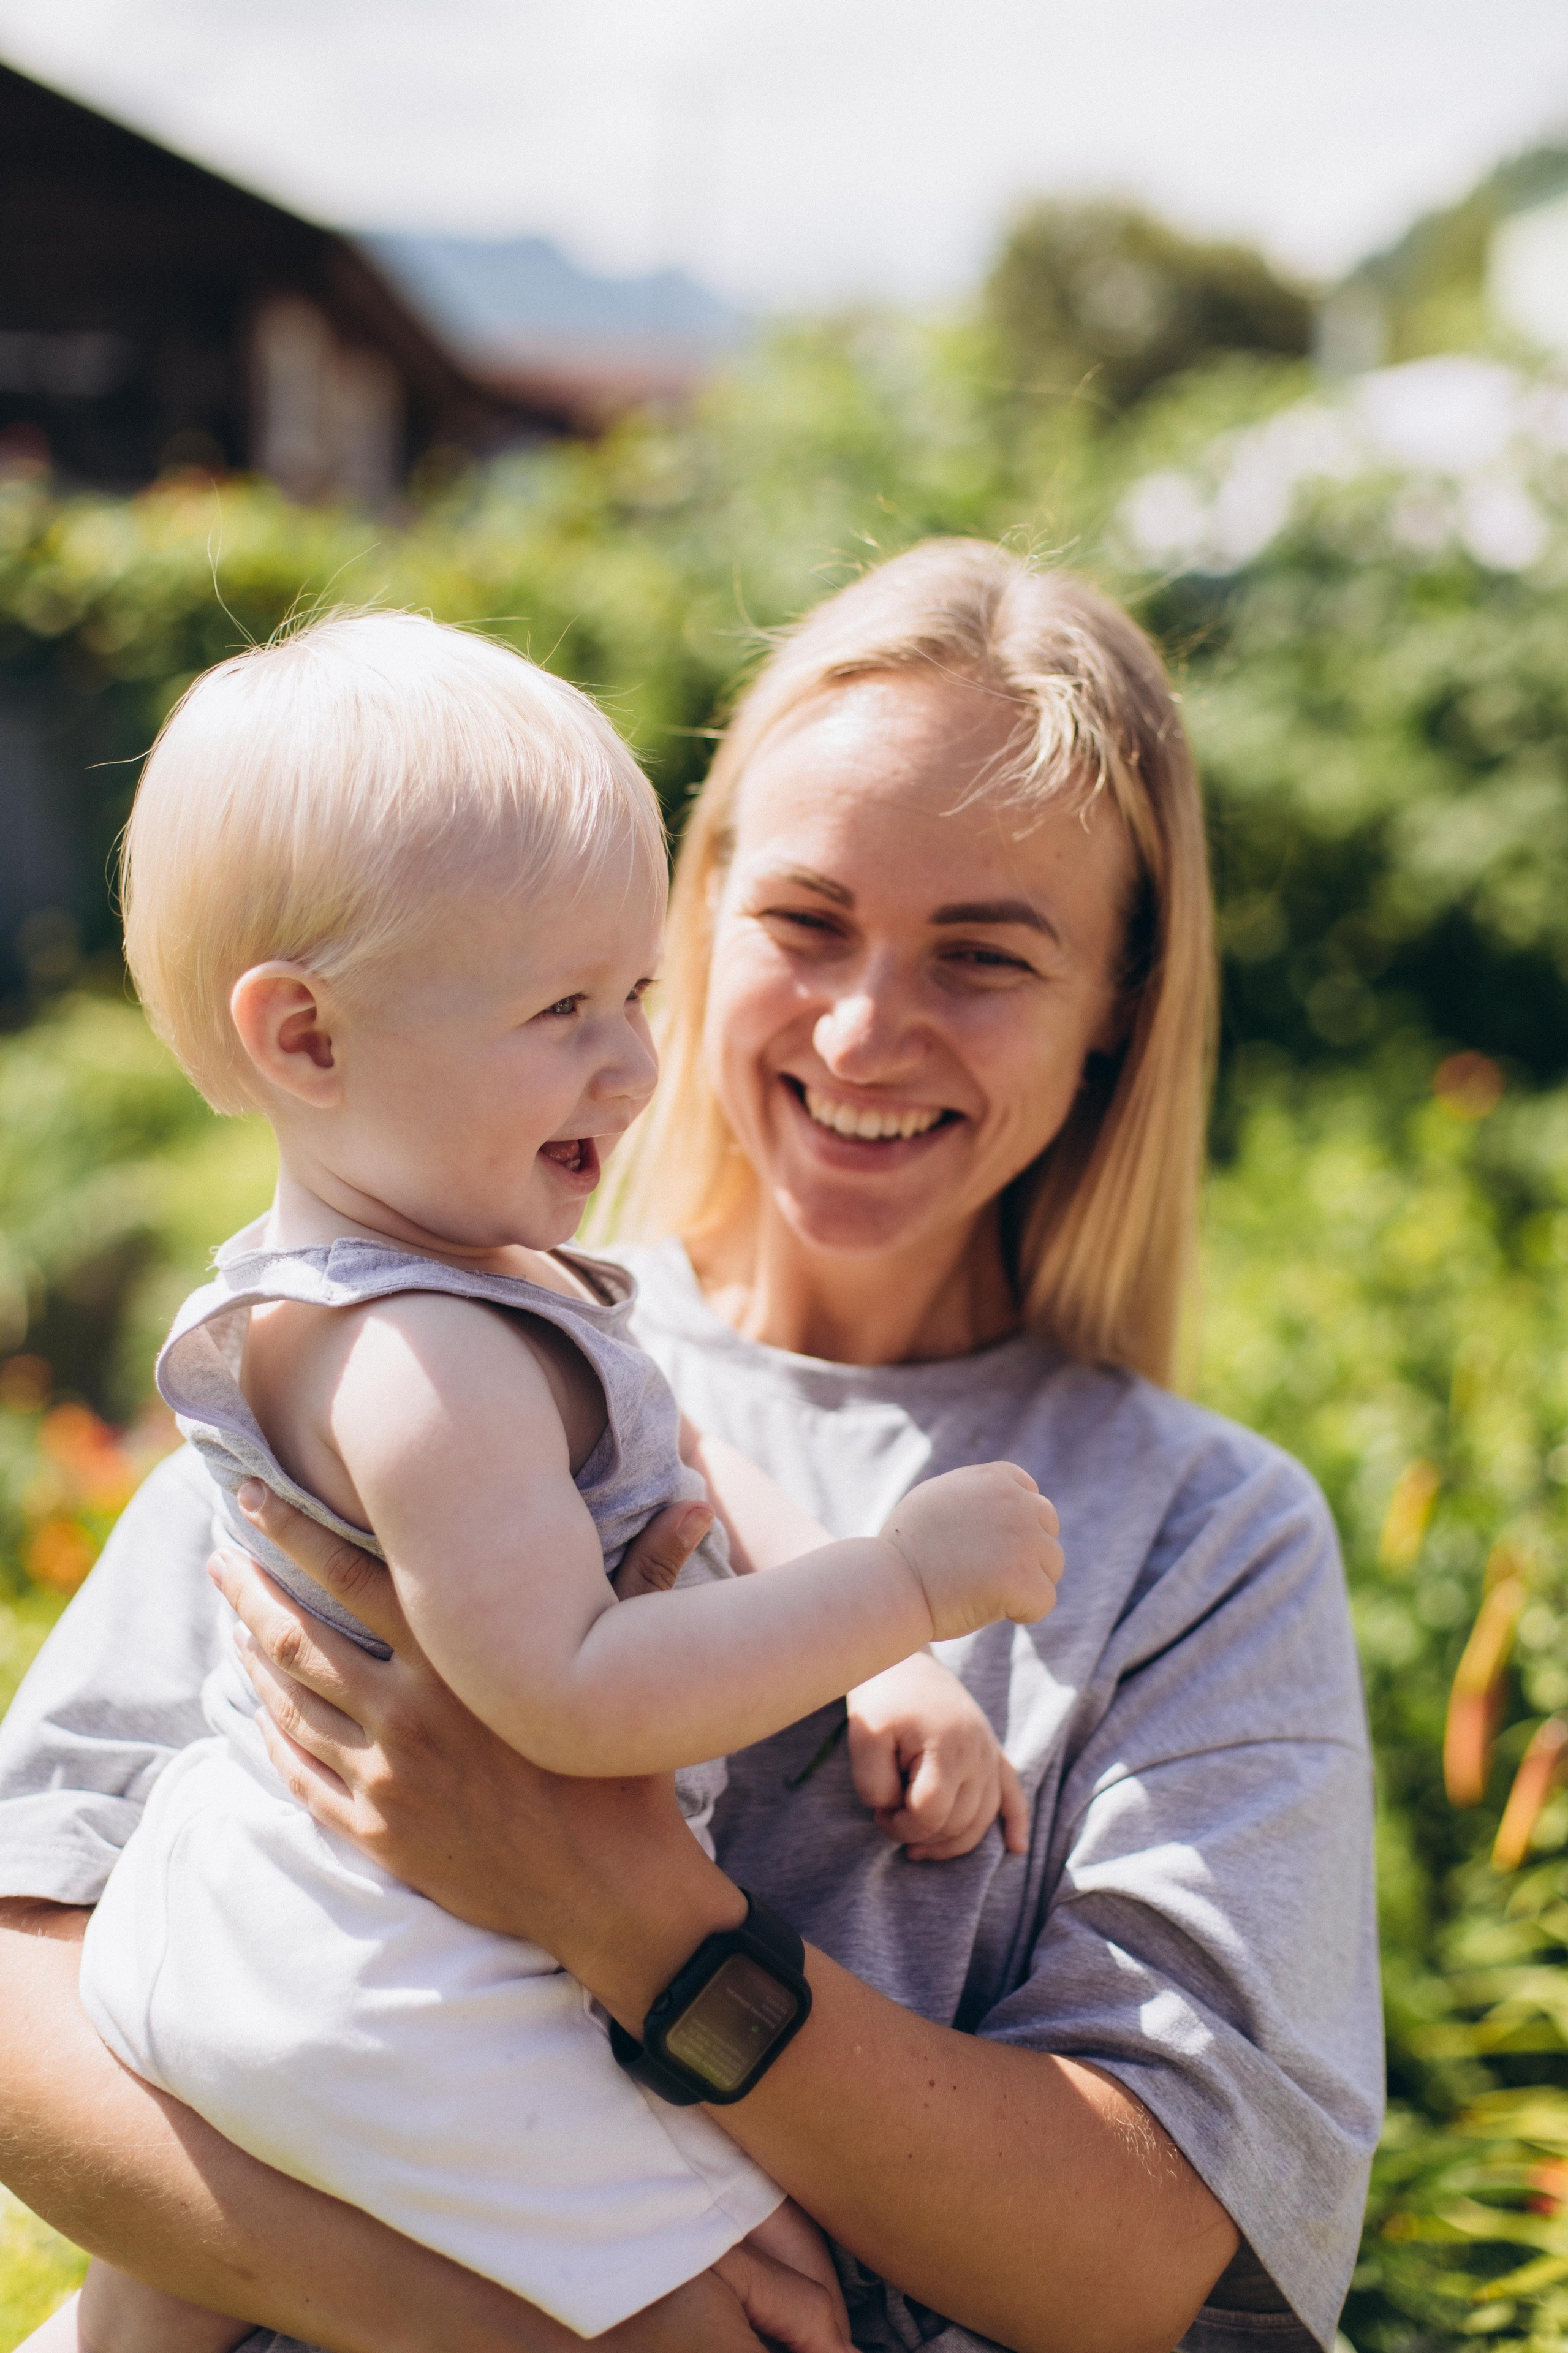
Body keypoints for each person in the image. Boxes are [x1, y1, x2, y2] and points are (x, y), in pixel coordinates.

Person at [0, 540, 1383, 2353]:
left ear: (1119, 1002)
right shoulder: (421, 1347)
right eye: (805, 921)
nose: (865, 1031)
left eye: (984, 956)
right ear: (700, 911)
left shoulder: (1201, 1533)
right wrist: (509, 2317)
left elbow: (1149, 2264)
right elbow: (28, 1981)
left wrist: (629, 1911)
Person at [66, 613, 1060, 2353]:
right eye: (561, 1011)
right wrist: (902, 1587)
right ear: (308, 1039)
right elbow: (575, 1701)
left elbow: (693, 1459)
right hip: (388, 1983)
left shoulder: (456, 1288)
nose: (633, 1064)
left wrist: (886, 1667)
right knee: (755, 2307)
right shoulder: (418, 1365)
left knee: (155, 2309)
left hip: (259, 1942)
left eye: (636, 997)